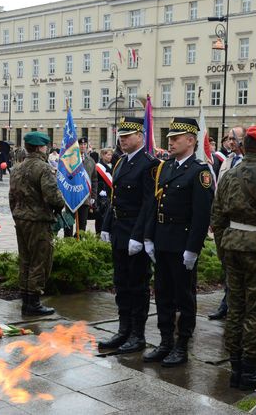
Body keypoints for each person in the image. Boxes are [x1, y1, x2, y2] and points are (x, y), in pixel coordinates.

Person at [143, 117, 214, 367]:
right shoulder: (167, 167)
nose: (170, 142)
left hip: (182, 244)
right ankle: (165, 342)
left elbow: (201, 214)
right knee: (162, 294)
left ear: (191, 140)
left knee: (184, 297)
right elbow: (155, 203)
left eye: (175, 138)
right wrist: (149, 236)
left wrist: (193, 249)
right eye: (169, 138)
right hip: (163, 240)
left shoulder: (199, 172)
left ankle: (182, 345)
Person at [210, 125, 256, 390]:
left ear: (244, 147)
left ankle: (236, 369)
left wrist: (223, 253)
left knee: (236, 309)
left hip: (233, 248)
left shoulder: (229, 173)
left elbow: (217, 217)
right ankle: (249, 371)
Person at [98, 117, 159, 354]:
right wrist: (106, 225)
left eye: (127, 136)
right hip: (119, 230)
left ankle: (137, 334)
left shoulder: (149, 164)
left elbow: (148, 204)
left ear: (140, 137)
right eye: (120, 137)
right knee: (121, 283)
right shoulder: (121, 162)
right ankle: (123, 329)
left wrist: (139, 236)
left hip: (135, 233)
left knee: (138, 285)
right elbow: (116, 198)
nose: (122, 140)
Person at [9, 131, 66, 316]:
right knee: (40, 260)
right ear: (41, 147)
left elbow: (12, 196)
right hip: (39, 221)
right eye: (45, 146)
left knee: (25, 259)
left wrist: (17, 214)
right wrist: (61, 203)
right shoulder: (43, 168)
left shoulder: (17, 167)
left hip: (21, 219)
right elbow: (53, 197)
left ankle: (26, 301)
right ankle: (33, 302)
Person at [208, 126, 246, 320]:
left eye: (234, 138)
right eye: (229, 139)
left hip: (241, 224)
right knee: (226, 265)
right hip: (223, 222)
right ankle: (227, 302)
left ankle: (233, 304)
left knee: (237, 268)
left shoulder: (248, 162)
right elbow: (218, 191)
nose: (230, 142)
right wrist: (214, 218)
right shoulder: (227, 160)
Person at [95, 147, 114, 234]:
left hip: (111, 195)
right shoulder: (98, 167)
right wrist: (99, 191)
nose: (110, 157)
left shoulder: (113, 165)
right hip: (101, 197)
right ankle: (99, 234)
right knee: (101, 218)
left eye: (111, 155)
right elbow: (95, 181)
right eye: (108, 155)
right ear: (103, 155)